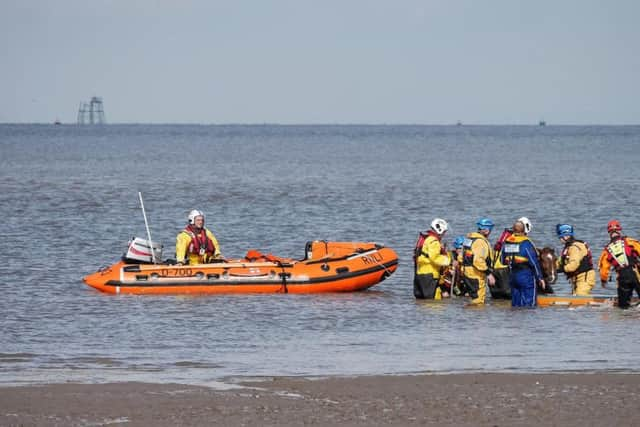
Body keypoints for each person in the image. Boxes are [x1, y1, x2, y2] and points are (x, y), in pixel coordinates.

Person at [501, 219, 545, 307]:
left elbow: (502, 260)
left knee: (515, 304)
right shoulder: (526, 243)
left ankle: (516, 320)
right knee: (529, 304)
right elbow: (534, 263)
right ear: (524, 230)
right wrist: (540, 278)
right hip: (526, 276)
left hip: (512, 275)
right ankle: (528, 321)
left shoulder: (507, 242)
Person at [598, 220, 640, 309]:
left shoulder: (606, 250)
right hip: (635, 273)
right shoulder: (630, 241)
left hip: (622, 277)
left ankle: (624, 321)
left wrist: (603, 281)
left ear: (609, 233)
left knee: (623, 307)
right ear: (619, 231)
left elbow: (603, 269)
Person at [460, 218, 496, 304]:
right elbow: (478, 261)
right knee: (478, 301)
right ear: (487, 231)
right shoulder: (480, 242)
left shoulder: (469, 239)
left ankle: (470, 316)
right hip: (476, 275)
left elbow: (461, 256)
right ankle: (477, 317)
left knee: (473, 299)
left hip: (467, 273)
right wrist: (488, 273)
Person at [414, 218, 451, 299]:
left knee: (423, 302)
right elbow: (435, 258)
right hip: (430, 275)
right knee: (433, 304)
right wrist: (449, 261)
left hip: (420, 273)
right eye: (444, 232)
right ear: (440, 230)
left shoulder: (426, 239)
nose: (444, 234)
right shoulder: (434, 241)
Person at [556, 224, 595, 296]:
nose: (560, 239)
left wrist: (562, 269)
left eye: (560, 237)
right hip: (576, 279)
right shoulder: (568, 248)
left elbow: (573, 265)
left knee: (580, 299)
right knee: (575, 298)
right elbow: (559, 262)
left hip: (584, 278)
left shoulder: (575, 248)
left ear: (566, 236)